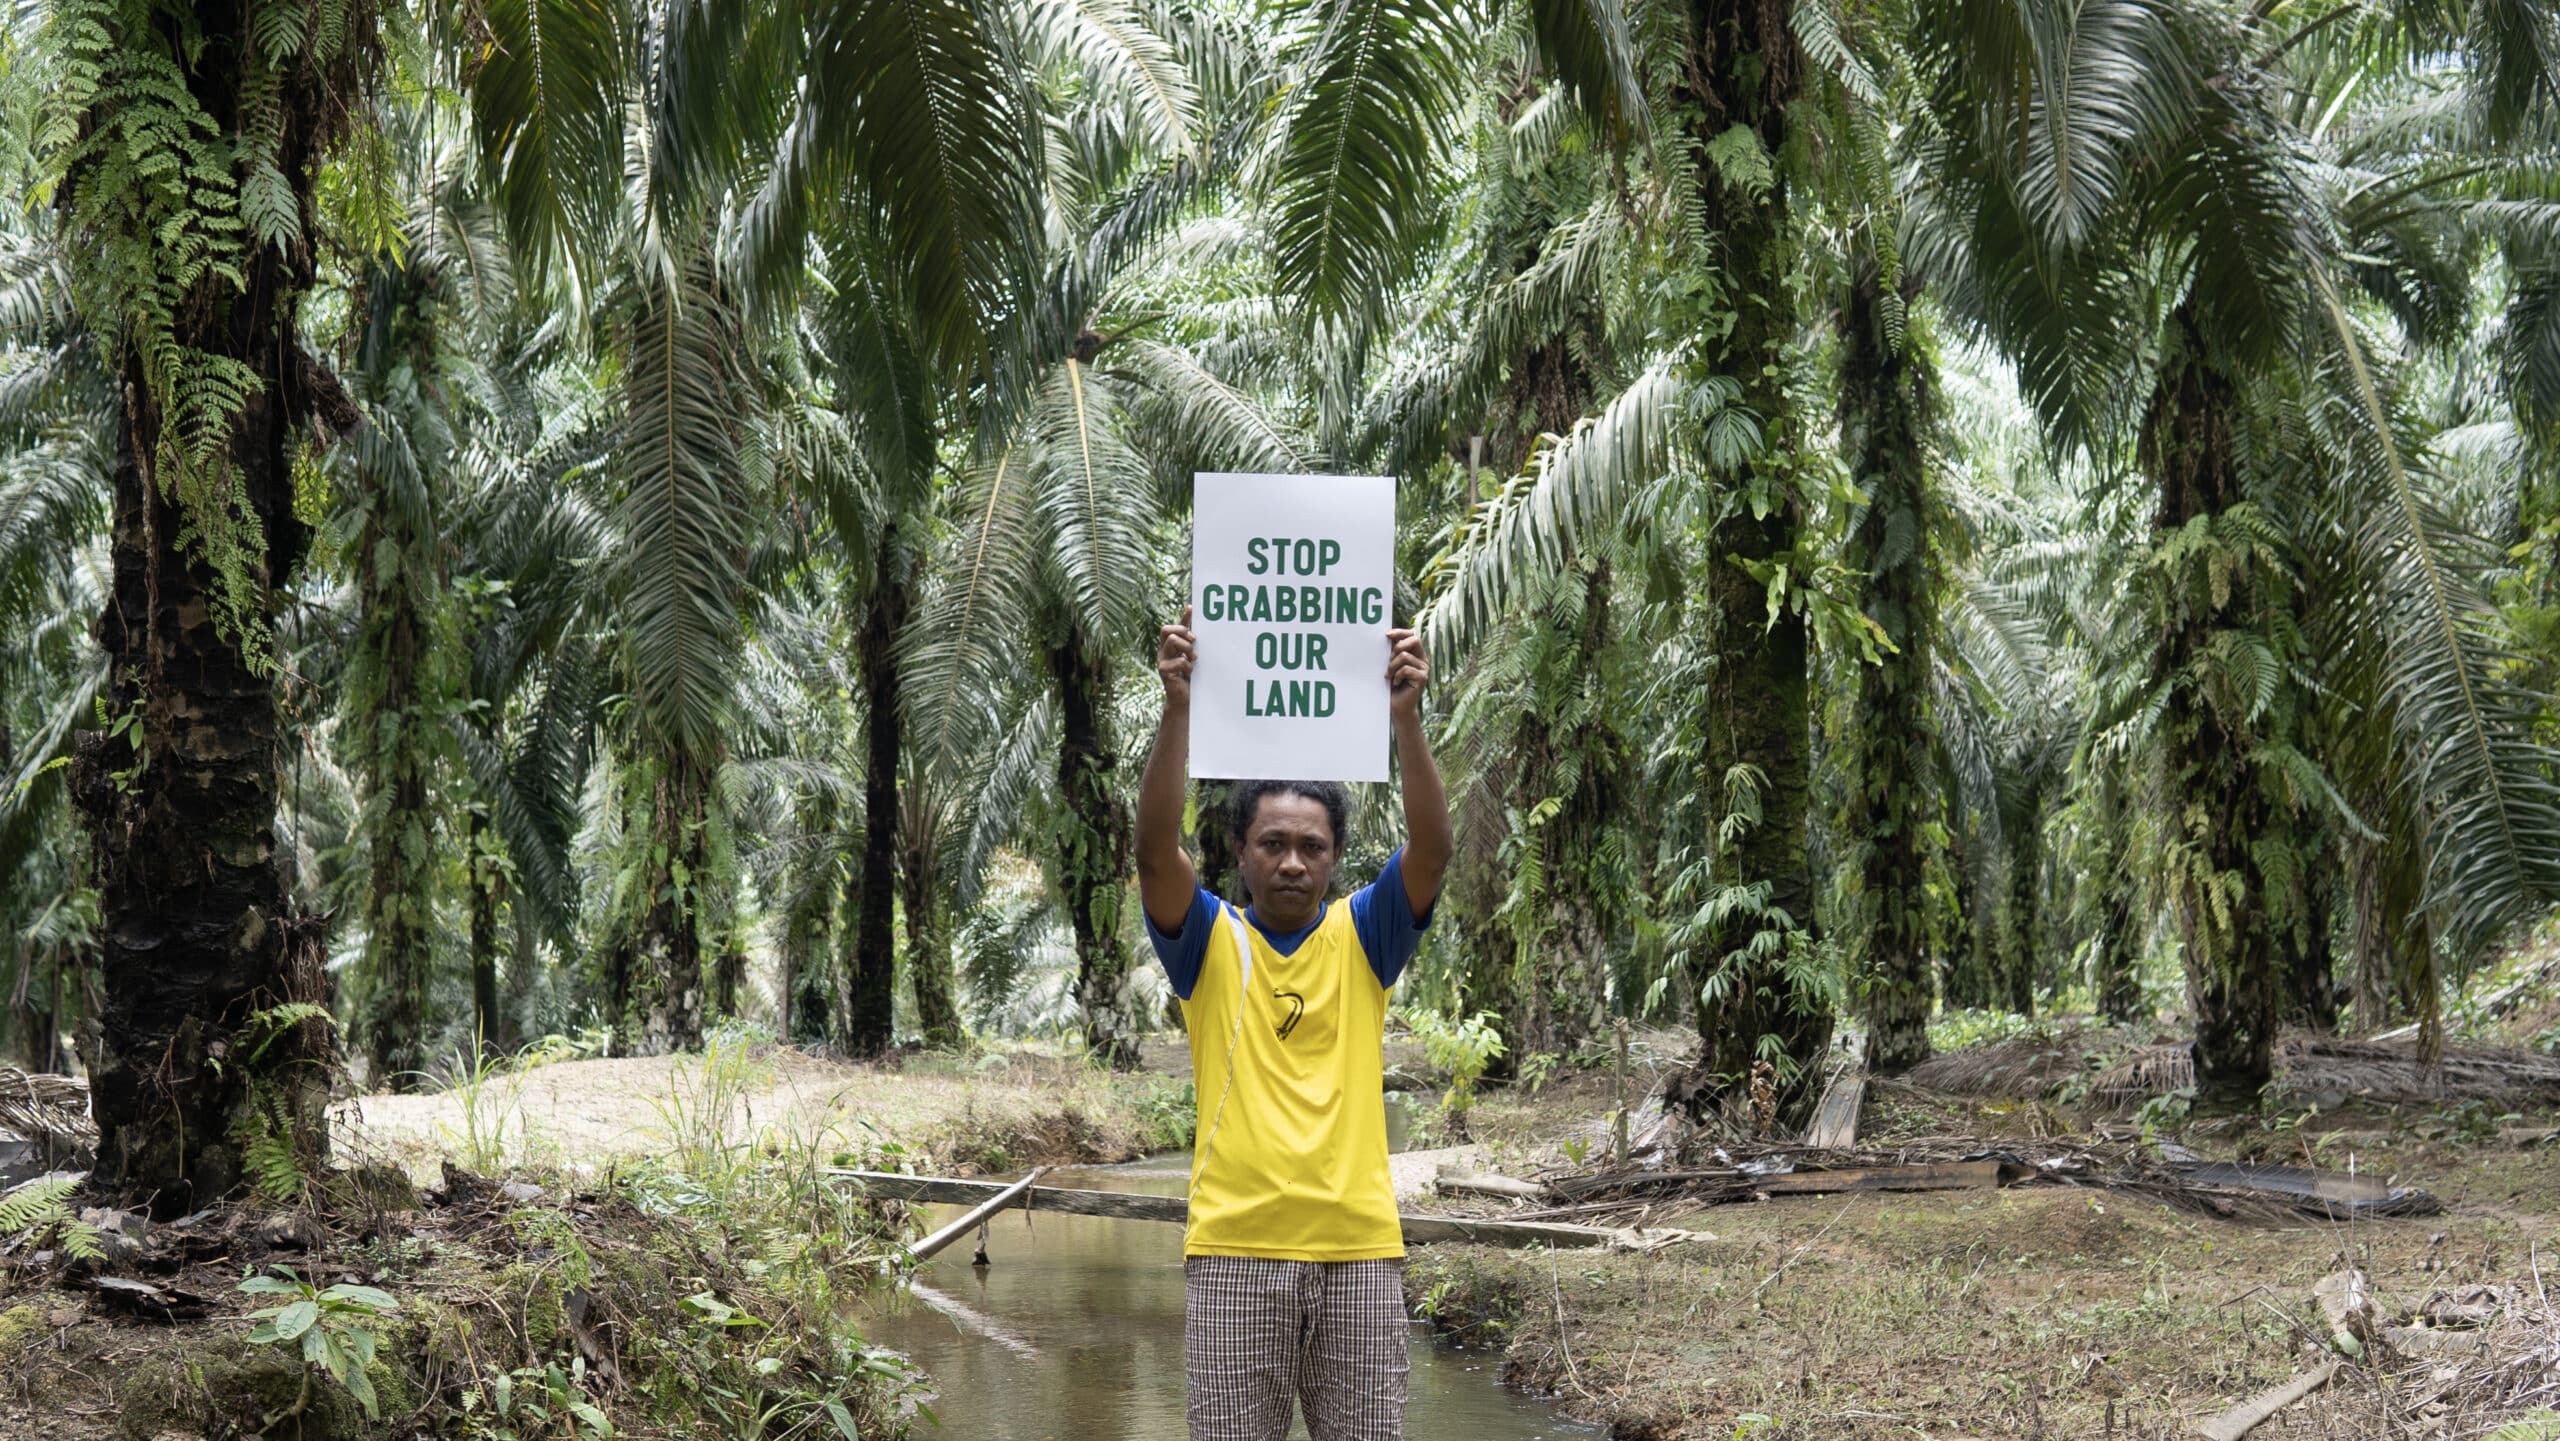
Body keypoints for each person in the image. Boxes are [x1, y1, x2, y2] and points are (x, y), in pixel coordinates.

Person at [1135, 604, 1454, 1441]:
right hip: (1235, 1250)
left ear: (1334, 858)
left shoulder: (1365, 934)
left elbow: (1431, 850)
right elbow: (1150, 850)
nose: (1292, 860)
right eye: (1272, 841)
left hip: (1358, 1252)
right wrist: (1177, 708)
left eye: (1312, 846)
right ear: (1238, 850)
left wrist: (1405, 719)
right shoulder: (1207, 939)